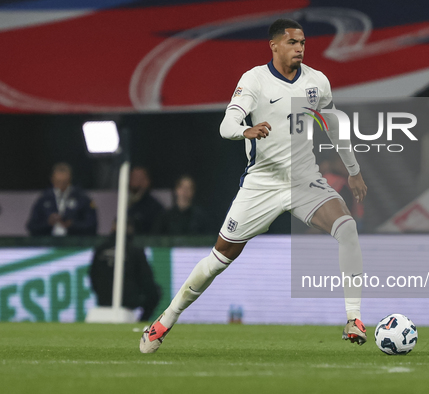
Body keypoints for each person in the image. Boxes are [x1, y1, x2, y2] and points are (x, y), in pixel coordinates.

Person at [140, 18, 368, 353]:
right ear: (274, 46)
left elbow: (333, 126)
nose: (300, 48)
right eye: (293, 42)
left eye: (303, 42)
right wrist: (244, 130)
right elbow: (226, 123)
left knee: (347, 227)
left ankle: (354, 318)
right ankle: (164, 322)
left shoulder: (317, 82)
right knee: (219, 258)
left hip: (305, 180)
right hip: (262, 184)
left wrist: (353, 169)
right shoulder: (255, 80)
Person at [89, 222, 161, 321]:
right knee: (156, 292)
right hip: (128, 299)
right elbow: (146, 279)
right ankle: (142, 322)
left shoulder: (100, 249)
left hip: (103, 298)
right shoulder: (135, 250)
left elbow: (92, 275)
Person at [27, 162, 97, 236]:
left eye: (64, 182)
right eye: (58, 182)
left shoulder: (82, 198)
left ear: (70, 179)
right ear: (52, 180)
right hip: (48, 243)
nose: (61, 186)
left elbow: (92, 225)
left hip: (75, 243)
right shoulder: (44, 199)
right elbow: (31, 226)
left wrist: (72, 225)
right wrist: (48, 223)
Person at [127, 166, 164, 235]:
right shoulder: (126, 202)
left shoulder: (154, 207)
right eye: (133, 177)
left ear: (147, 181)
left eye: (139, 178)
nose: (134, 180)